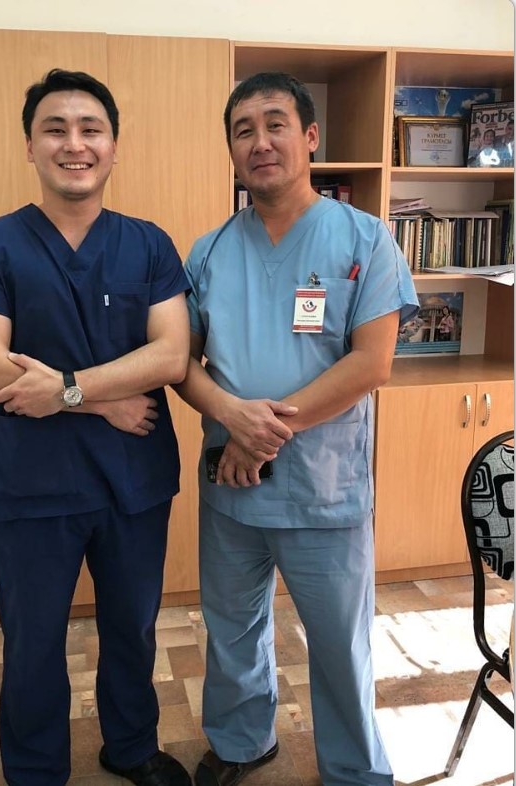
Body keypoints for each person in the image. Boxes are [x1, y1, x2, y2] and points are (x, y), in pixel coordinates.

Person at [0, 68, 192, 786]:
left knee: (132, 629)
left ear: (114, 146)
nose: (74, 144)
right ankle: (35, 770)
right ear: (30, 146)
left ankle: (131, 747)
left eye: (91, 130)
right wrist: (99, 399)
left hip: (133, 484)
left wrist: (64, 389)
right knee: (32, 642)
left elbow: (171, 355)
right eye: (55, 129)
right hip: (34, 488)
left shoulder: (148, 244)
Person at [174, 72, 418, 786]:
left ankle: (354, 770)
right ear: (231, 150)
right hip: (231, 487)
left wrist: (260, 433)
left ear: (310, 137)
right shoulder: (208, 252)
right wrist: (232, 419)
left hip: (322, 490)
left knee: (339, 642)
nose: (260, 142)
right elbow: (180, 361)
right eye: (243, 130)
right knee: (231, 628)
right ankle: (242, 742)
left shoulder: (365, 239)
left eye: (275, 124)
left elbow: (371, 364)